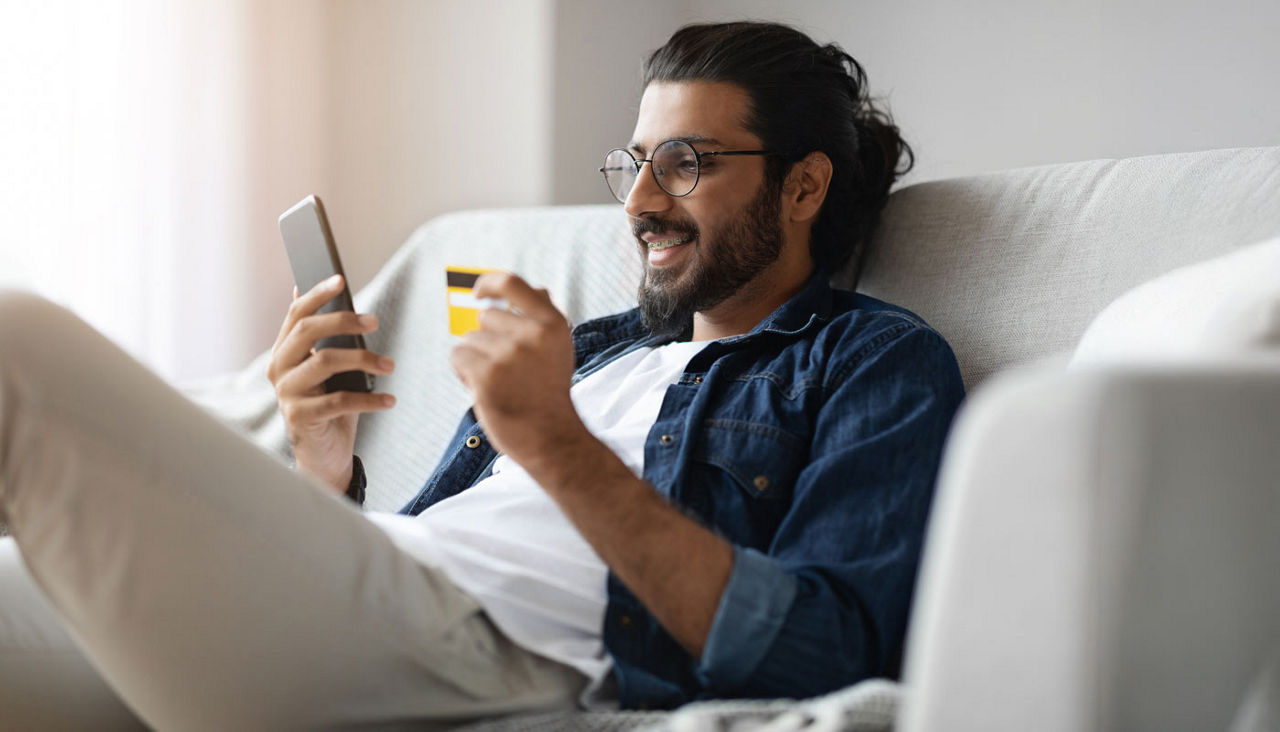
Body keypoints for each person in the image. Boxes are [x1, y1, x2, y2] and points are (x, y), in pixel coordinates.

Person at [0, 20, 963, 730]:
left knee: (17, 346)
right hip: (381, 609)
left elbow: (823, 653)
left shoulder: (873, 361)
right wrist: (322, 465)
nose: (637, 201)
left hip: (484, 655)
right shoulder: (596, 347)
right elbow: (401, 558)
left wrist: (553, 440)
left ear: (802, 186)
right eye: (634, 162)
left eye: (686, 163)